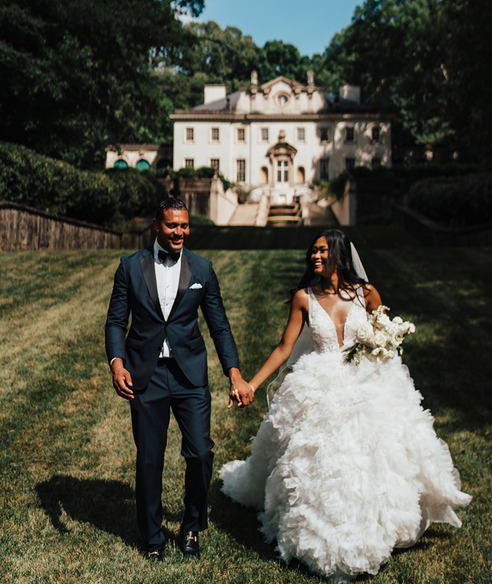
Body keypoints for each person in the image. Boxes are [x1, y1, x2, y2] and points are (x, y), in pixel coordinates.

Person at [220, 229, 471, 581]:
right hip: (318, 380)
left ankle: (379, 520)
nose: (315, 257)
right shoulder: (303, 298)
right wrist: (250, 384)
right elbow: (284, 348)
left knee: (377, 452)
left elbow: (385, 329)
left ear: (339, 253)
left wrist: (383, 343)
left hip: (366, 380)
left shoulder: (366, 293)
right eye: (313, 252)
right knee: (320, 459)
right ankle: (321, 526)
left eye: (322, 251)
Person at [105, 197, 253, 563]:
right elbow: (114, 322)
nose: (180, 232)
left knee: (201, 453)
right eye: (173, 226)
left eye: (185, 226)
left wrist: (232, 372)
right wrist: (116, 363)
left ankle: (191, 526)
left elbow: (218, 324)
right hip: (146, 375)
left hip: (190, 376)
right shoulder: (130, 267)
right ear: (157, 225)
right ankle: (152, 537)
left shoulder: (202, 268)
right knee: (149, 460)